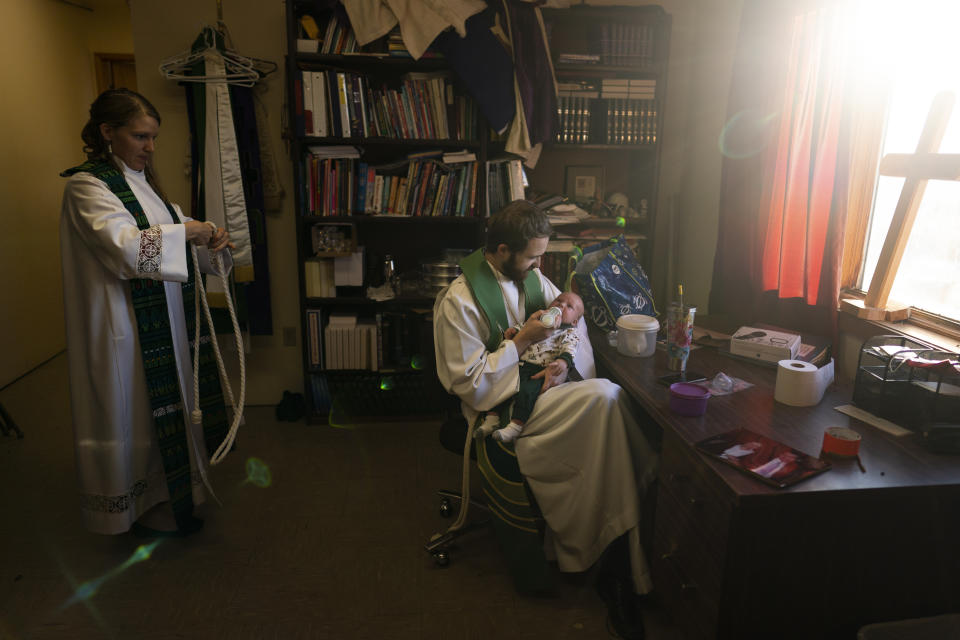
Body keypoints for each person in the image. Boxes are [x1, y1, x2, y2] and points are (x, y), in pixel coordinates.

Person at [433, 200, 658, 639]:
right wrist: (520, 344)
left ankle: (596, 546)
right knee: (606, 400)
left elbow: (574, 324)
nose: (540, 265)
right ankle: (609, 554)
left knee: (604, 411)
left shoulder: (532, 277)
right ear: (501, 250)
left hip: (552, 384)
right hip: (500, 404)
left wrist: (565, 363)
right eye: (533, 256)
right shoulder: (458, 302)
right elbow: (470, 383)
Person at [59, 89, 234, 537]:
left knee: (169, 409)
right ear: (107, 132)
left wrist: (209, 243)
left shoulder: (146, 186)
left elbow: (175, 245)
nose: (150, 148)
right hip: (121, 326)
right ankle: (135, 507)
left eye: (153, 138)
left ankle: (173, 497)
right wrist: (187, 230)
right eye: (140, 136)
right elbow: (127, 250)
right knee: (131, 416)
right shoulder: (87, 186)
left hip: (167, 322)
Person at [474, 291, 585, 443]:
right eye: (558, 300)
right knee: (501, 385)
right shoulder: (538, 319)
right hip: (517, 364)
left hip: (538, 370)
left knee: (527, 393)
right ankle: (492, 419)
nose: (561, 305)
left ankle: (515, 426)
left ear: (574, 321)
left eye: (569, 306)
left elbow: (570, 349)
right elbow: (524, 328)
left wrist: (562, 362)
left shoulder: (569, 332)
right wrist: (514, 332)